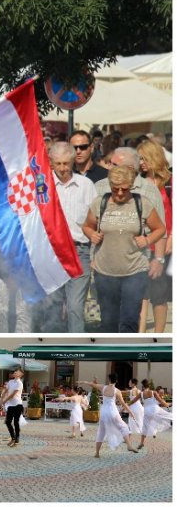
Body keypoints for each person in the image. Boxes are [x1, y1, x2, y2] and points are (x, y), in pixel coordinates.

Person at [83, 165, 165, 332]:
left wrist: (148, 239)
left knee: (129, 320)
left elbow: (160, 228)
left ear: (131, 186)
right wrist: (91, 234)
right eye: (115, 189)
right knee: (108, 321)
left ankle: (127, 358)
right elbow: (87, 226)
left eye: (124, 189)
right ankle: (111, 357)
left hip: (135, 271)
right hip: (105, 272)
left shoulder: (142, 203)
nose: (120, 193)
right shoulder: (101, 202)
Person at [31, 142, 97, 332]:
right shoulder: (43, 186)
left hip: (79, 251)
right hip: (51, 253)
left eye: (66, 163)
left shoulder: (85, 185)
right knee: (52, 306)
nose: (62, 168)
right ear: (50, 162)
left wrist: (94, 255)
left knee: (75, 307)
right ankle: (54, 348)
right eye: (58, 163)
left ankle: (76, 349)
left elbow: (95, 221)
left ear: (73, 162)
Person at [136, 140, 172, 333]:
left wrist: (172, 237)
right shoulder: (137, 183)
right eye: (139, 158)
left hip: (164, 243)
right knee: (141, 294)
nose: (141, 162)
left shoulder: (169, 183)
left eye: (144, 158)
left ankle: (158, 336)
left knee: (160, 294)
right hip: (141, 243)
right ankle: (139, 335)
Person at [77, 374, 139, 457]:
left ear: (109, 380)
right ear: (116, 381)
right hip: (112, 411)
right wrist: (130, 412)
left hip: (103, 412)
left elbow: (92, 384)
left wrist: (83, 382)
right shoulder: (117, 391)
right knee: (123, 427)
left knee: (101, 431)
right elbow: (123, 403)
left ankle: (97, 453)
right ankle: (129, 445)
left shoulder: (103, 387)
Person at [130, 379, 172, 449]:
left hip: (147, 411)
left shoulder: (141, 394)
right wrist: (168, 404)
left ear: (143, 386)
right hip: (155, 409)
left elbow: (133, 401)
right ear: (149, 385)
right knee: (166, 416)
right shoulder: (153, 392)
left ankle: (142, 443)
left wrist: (125, 404)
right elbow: (161, 402)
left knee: (145, 426)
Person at [0, 368, 24, 447]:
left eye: (17, 372)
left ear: (20, 375)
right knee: (8, 422)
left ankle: (17, 440)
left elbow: (13, 394)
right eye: (15, 371)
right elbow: (5, 390)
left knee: (16, 422)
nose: (15, 372)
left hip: (18, 405)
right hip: (11, 405)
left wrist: (4, 401)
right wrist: (1, 399)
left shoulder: (20, 383)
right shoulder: (10, 382)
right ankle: (13, 437)